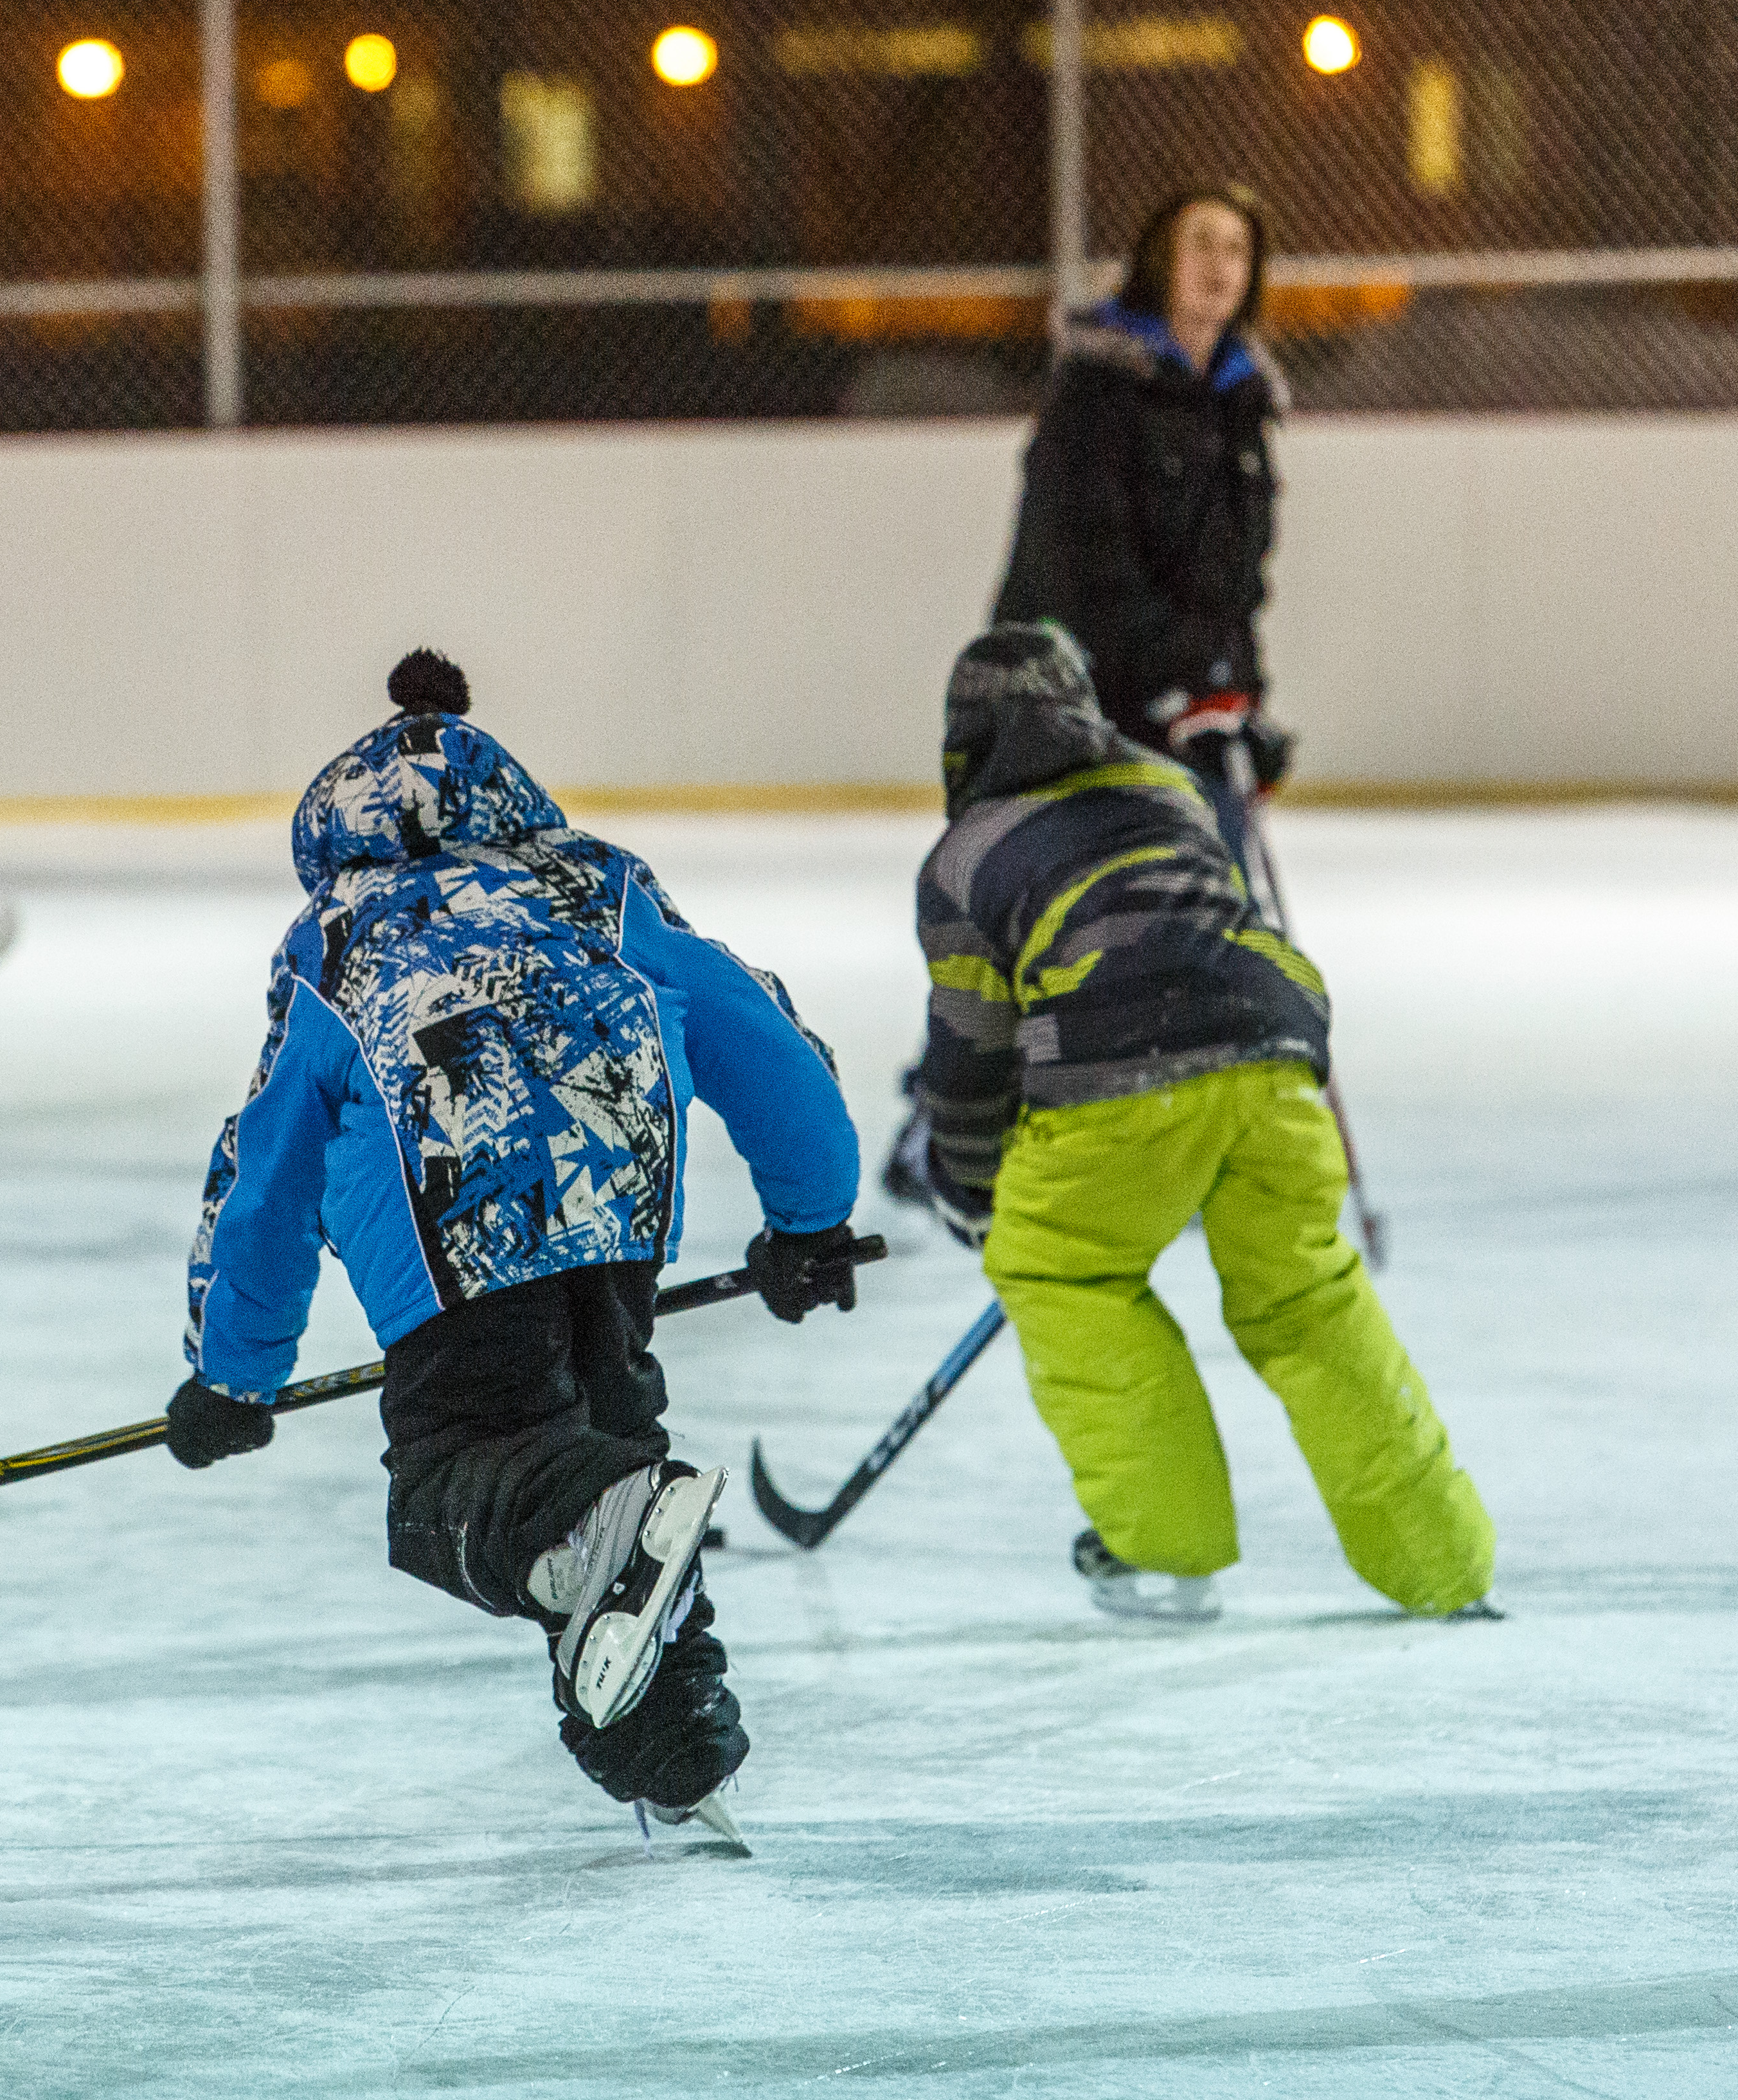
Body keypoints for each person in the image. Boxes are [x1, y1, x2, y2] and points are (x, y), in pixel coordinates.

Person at [163, 650, 865, 1836]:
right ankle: (682, 1757)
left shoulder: (338, 938)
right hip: (616, 1206)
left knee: (471, 1479)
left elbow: (266, 1172)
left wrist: (233, 1370)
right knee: (614, 1490)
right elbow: (757, 1026)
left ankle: (599, 1540)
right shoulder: (599, 885)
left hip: (456, 1236)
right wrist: (812, 1220)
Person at [900, 624, 1495, 1624]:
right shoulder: (1171, 787)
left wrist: (969, 1186)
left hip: (1111, 1077)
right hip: (1272, 1057)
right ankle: (1444, 1563)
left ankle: (1167, 1554)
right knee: (1307, 1296)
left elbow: (970, 1053)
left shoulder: (963, 857)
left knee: (1065, 1273)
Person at [993, 183, 1291, 865]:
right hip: (1084, 714)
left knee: (1222, 920)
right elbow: (1077, 562)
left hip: (1189, 713)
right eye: (1201, 244)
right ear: (1160, 260)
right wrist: (1171, 687)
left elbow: (1236, 582)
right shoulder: (1097, 389)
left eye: (1236, 249)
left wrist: (1238, 700)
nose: (1218, 264)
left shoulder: (1241, 403)